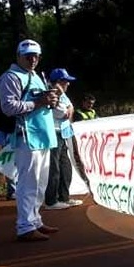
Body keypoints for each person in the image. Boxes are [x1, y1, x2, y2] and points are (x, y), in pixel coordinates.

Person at [0, 39, 60, 242]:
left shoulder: (37, 76)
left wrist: (51, 100)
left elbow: (42, 102)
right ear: (18, 57)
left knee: (40, 183)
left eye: (36, 56)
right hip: (26, 137)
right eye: (28, 56)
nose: (33, 59)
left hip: (43, 135)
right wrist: (38, 102)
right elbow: (8, 107)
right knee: (27, 184)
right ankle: (24, 226)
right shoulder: (11, 77)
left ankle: (35, 220)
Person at [44, 68, 83, 210]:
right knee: (54, 167)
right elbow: (62, 113)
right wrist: (67, 110)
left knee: (65, 166)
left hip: (63, 133)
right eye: (66, 81)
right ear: (58, 82)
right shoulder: (50, 93)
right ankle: (51, 200)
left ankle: (64, 197)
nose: (68, 84)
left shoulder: (62, 94)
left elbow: (70, 107)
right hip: (53, 132)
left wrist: (69, 109)